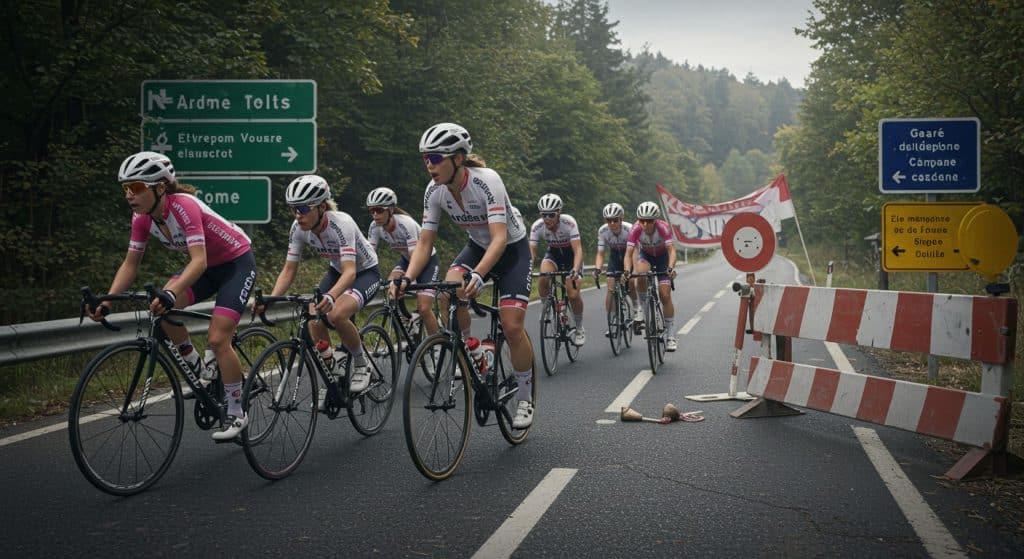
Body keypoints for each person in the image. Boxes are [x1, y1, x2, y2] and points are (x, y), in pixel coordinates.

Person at [87, 151, 257, 440]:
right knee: (159, 309)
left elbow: (199, 261)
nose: (130, 194)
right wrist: (107, 299)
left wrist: (170, 291)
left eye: (137, 187)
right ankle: (197, 366)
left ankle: (236, 410)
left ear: (160, 187)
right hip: (205, 267)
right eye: (126, 188)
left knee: (217, 339)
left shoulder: (183, 207)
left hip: (235, 265)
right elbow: (130, 263)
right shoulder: (141, 218)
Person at [398, 122, 535, 428]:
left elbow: (499, 238)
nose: (429, 165)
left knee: (512, 326)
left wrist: (478, 275)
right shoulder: (434, 191)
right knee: (448, 290)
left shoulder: (486, 181)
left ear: (458, 158)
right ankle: (473, 350)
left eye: (435, 158)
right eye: (425, 158)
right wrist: (407, 277)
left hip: (512, 251)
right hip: (477, 246)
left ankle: (525, 397)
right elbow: (424, 242)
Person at [261, 175, 381, 401]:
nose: (298, 215)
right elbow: (288, 270)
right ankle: (332, 369)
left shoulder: (341, 223)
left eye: (304, 208)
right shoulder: (298, 228)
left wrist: (332, 296)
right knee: (313, 316)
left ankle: (362, 364)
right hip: (337, 270)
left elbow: (350, 272)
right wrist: (272, 298)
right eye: (293, 209)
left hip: (365, 272)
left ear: (321, 207)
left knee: (336, 313)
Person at [366, 186, 440, 337]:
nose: (375, 215)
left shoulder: (405, 224)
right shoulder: (375, 227)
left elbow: (416, 256)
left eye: (379, 210)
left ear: (391, 210)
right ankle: (409, 319)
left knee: (424, 308)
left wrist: (409, 279)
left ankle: (436, 344)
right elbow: (369, 255)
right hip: (406, 259)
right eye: (371, 211)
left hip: (426, 260)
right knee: (391, 285)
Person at [529, 193, 586, 346]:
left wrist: (575, 268)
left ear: (559, 213)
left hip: (571, 256)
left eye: (551, 214)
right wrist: (527, 268)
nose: (547, 218)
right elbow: (532, 253)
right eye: (543, 214)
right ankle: (547, 308)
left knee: (573, 294)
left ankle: (579, 327)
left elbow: (578, 250)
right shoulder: (537, 226)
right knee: (543, 277)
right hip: (553, 254)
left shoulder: (569, 223)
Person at [623, 201, 679, 352]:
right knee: (639, 274)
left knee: (665, 295)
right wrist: (627, 271)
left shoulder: (663, 228)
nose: (645, 224)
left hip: (662, 260)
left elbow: (672, 251)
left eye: (649, 221)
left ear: (655, 220)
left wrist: (670, 267)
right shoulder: (635, 229)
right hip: (646, 256)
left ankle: (671, 335)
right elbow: (628, 254)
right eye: (642, 220)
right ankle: (642, 310)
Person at [592, 202, 639, 323]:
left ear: (621, 219)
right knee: (610, 287)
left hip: (630, 254)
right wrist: (598, 268)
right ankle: (613, 319)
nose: (612, 223)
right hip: (615, 257)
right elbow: (600, 253)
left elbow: (634, 252)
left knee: (632, 283)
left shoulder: (629, 229)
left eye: (615, 220)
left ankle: (636, 307)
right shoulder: (603, 231)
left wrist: (633, 271)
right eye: (609, 220)